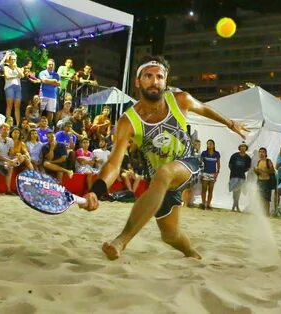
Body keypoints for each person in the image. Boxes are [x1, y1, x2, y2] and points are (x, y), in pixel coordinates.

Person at [78, 55, 248, 260]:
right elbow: (114, 163)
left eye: (159, 76)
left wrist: (230, 124)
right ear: (138, 81)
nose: (154, 81)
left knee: (164, 172)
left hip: (189, 165)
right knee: (170, 235)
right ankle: (192, 254)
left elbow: (204, 108)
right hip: (159, 181)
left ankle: (121, 241)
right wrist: (97, 190)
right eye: (148, 76)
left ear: (166, 81)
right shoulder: (127, 121)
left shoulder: (180, 100)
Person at [228, 142, 251, 212]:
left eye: (244, 147)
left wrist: (242, 171)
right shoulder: (234, 155)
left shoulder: (247, 158)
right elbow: (230, 165)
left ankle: (235, 206)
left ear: (246, 148)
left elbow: (248, 167)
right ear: (239, 147)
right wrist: (234, 170)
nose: (243, 148)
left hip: (241, 176)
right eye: (241, 146)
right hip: (234, 175)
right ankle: (235, 206)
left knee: (239, 191)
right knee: (234, 191)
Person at [254, 147, 276, 216]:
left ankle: (267, 213)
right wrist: (256, 171)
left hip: (267, 181)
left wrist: (262, 171)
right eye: (260, 152)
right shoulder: (259, 161)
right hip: (260, 181)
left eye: (263, 152)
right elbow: (258, 173)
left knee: (266, 199)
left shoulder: (268, 161)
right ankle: (261, 213)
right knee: (260, 198)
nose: (261, 153)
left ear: (265, 153)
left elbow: (272, 171)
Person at [3, 53, 24, 126]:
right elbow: (7, 77)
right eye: (12, 59)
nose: (13, 61)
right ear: (9, 60)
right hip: (9, 87)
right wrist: (15, 76)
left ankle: (18, 124)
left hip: (18, 87)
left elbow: (22, 75)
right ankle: (7, 123)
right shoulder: (6, 67)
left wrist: (17, 69)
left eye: (14, 59)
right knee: (9, 106)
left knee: (17, 107)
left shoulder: (17, 68)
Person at [39, 59, 61, 125]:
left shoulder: (57, 74)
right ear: (46, 65)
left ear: (54, 66)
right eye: (49, 64)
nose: (50, 66)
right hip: (43, 95)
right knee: (40, 111)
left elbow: (58, 84)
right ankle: (38, 125)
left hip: (53, 96)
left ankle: (47, 126)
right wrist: (53, 81)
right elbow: (44, 80)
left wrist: (48, 81)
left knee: (50, 112)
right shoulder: (42, 72)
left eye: (52, 65)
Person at [200, 139, 220, 210]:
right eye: (208, 144)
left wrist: (217, 173)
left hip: (213, 174)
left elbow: (218, 164)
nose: (209, 145)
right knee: (204, 189)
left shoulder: (217, 153)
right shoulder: (204, 153)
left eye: (211, 144)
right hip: (205, 173)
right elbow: (200, 163)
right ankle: (203, 203)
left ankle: (208, 204)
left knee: (211, 190)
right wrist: (201, 173)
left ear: (214, 145)